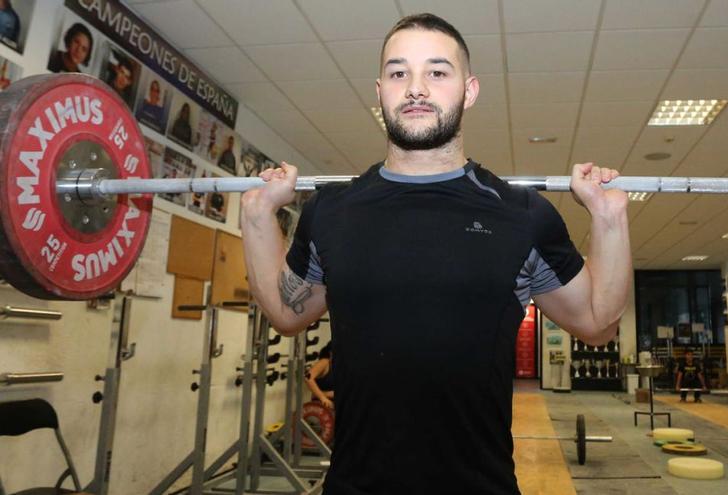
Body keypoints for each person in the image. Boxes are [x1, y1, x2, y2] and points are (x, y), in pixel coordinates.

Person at [240, 13, 630, 495]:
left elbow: (598, 323)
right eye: (399, 72)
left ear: (468, 91)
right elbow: (285, 312)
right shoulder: (331, 212)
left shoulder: (521, 215)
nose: (416, 88)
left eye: (437, 72)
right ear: (379, 90)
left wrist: (610, 219)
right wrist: (258, 218)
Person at [306, 342, 334, 410]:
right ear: (330, 352)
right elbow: (308, 377)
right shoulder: (324, 362)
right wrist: (323, 397)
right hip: (321, 407)